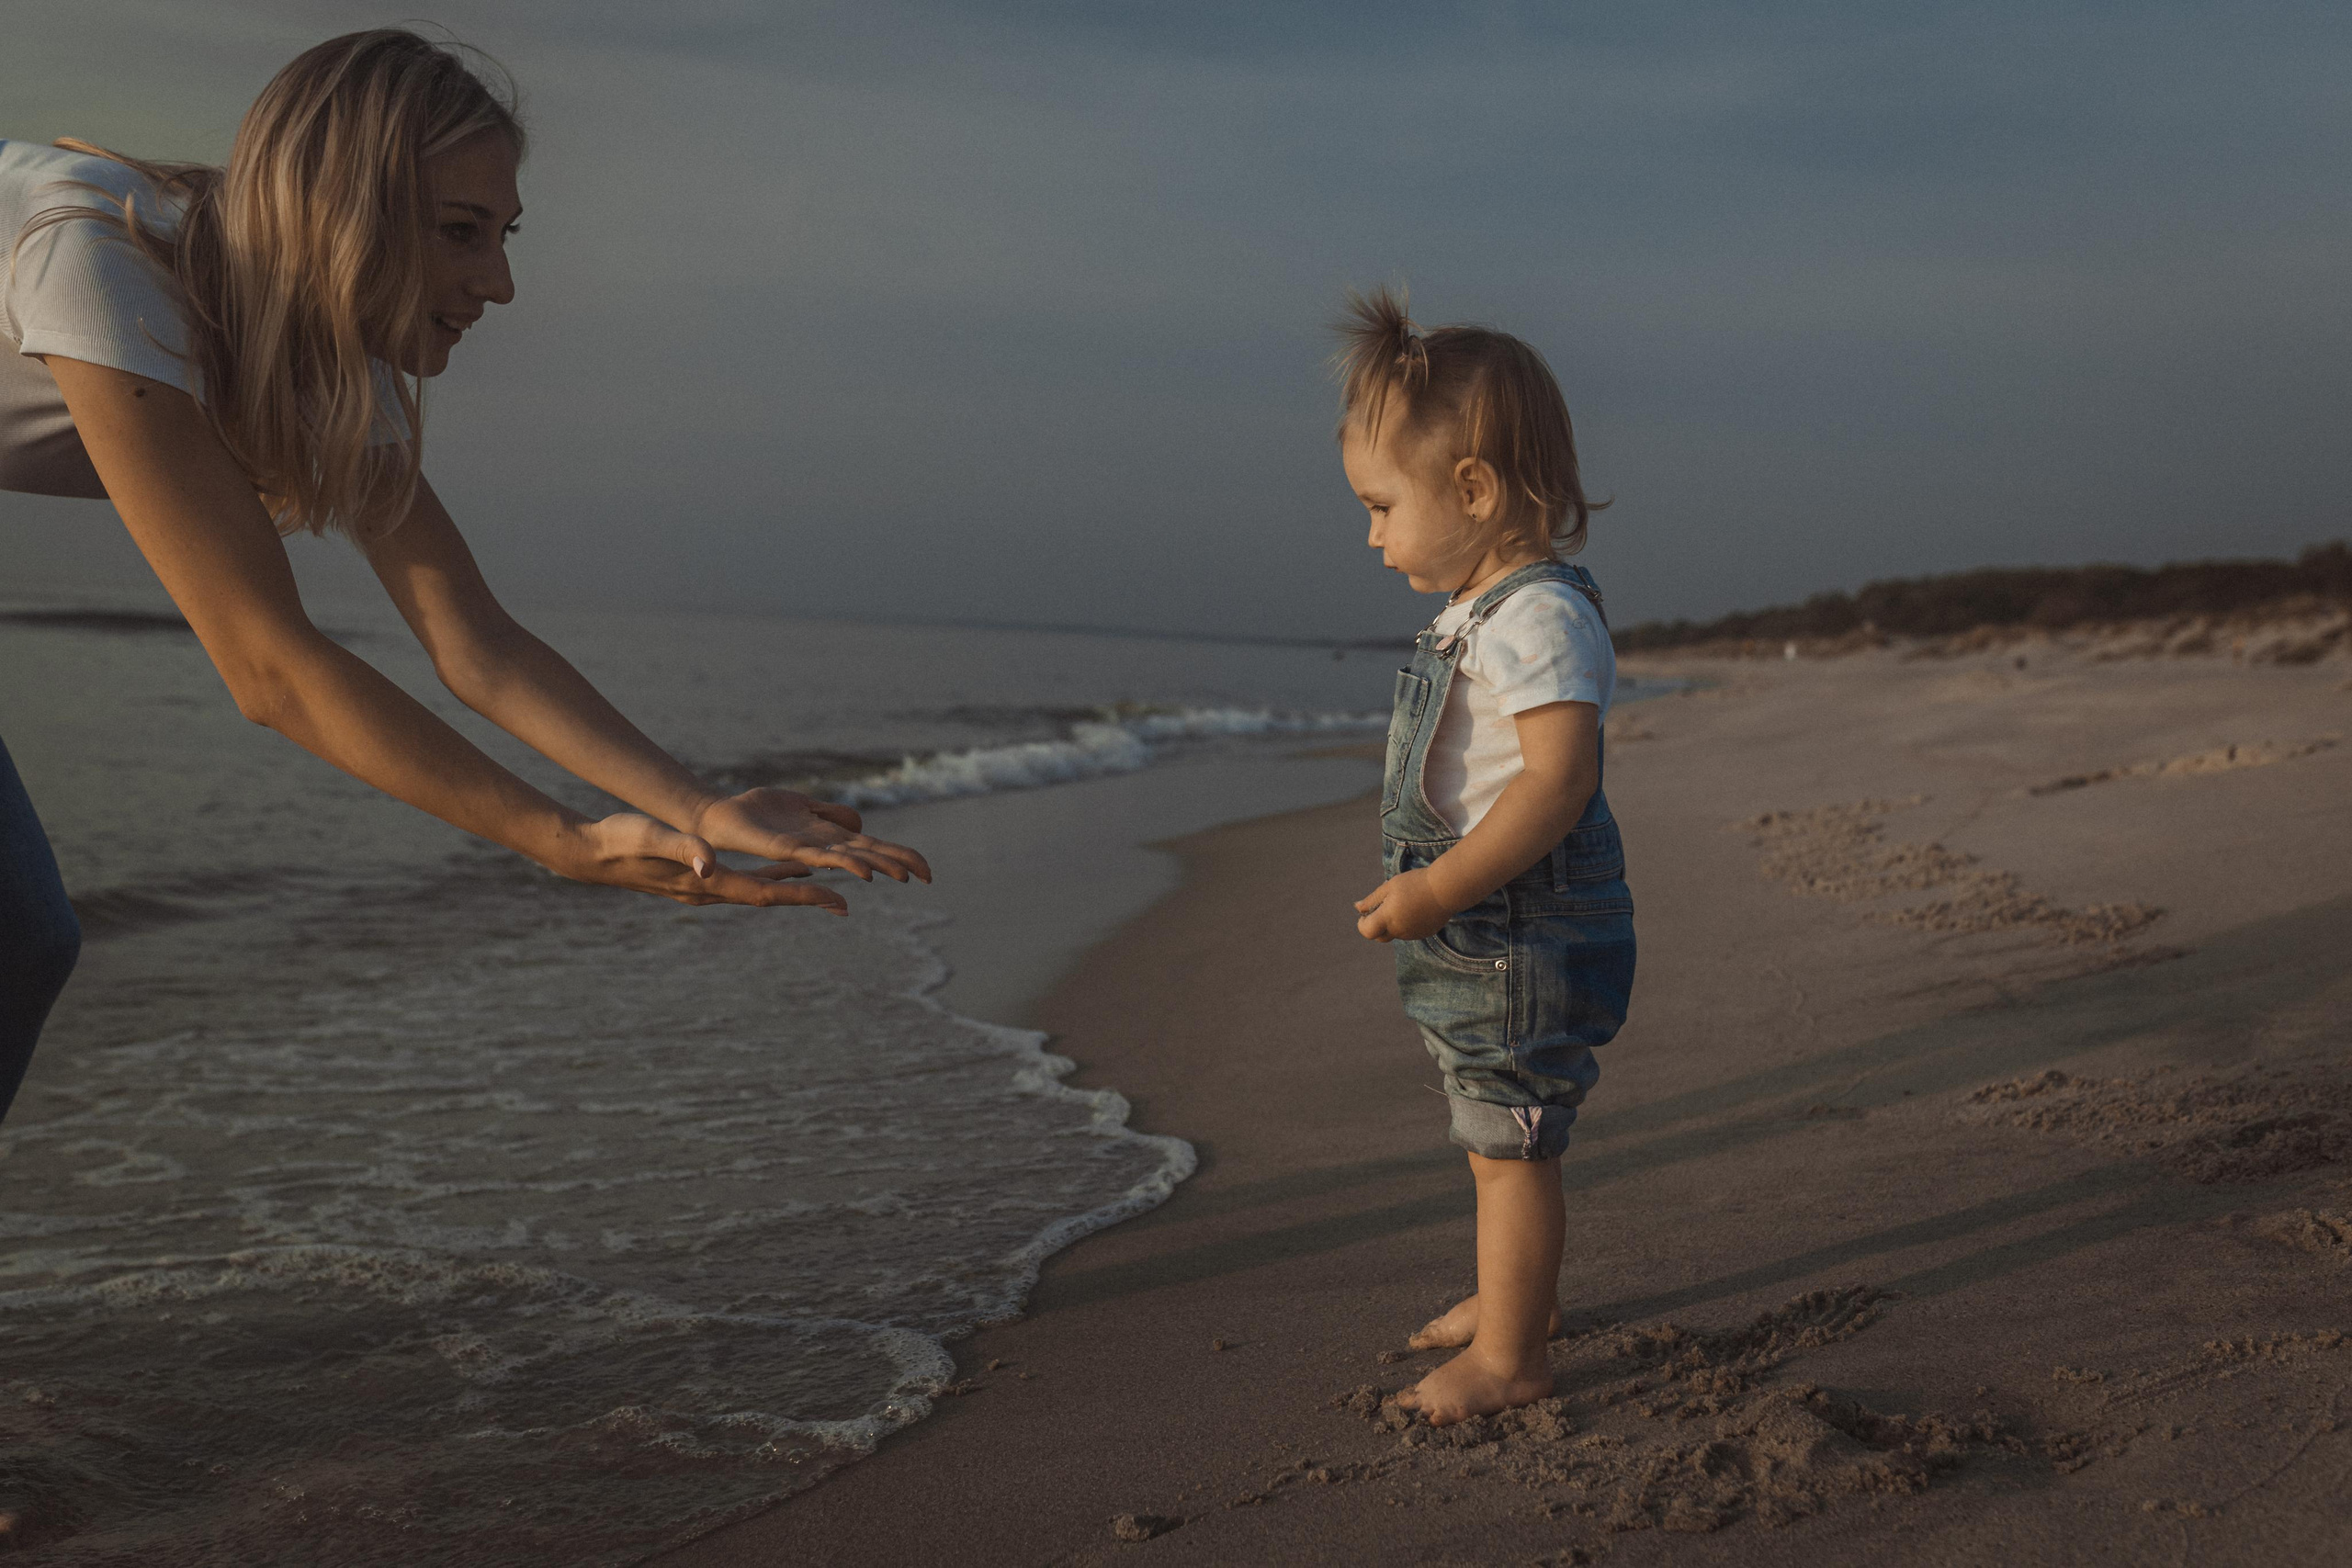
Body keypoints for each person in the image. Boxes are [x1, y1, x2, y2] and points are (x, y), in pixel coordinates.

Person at [0, 28, 929, 1128]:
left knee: (19, 938)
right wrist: (562, 840)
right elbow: (269, 669)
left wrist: (696, 805)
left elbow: (472, 639)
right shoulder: (104, 266)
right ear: (337, 214)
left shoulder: (326, 355)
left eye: (502, 236)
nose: (500, 283)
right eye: (459, 232)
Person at [1339, 287, 1635, 1425]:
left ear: (1470, 488)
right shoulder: (1481, 608)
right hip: (1487, 928)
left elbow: (1560, 783)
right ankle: (1522, 1301)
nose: (1371, 536)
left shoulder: (1538, 615)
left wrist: (1441, 887)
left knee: (1511, 1134)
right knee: (1491, 1125)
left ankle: (1512, 1357)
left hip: (1516, 925)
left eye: (1380, 507)